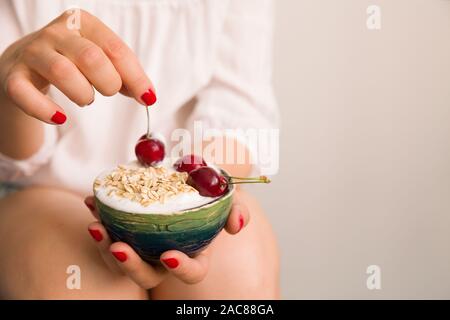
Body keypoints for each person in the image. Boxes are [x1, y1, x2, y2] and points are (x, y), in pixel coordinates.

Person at [0, 0, 279, 299]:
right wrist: (11, 87)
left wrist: (193, 192)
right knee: (77, 283)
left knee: (238, 270)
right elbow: (17, 161)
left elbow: (237, 110)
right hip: (44, 192)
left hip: (186, 181)